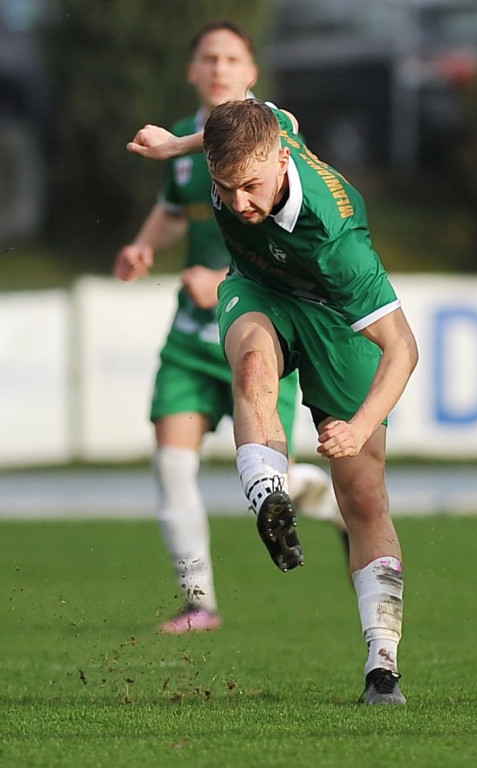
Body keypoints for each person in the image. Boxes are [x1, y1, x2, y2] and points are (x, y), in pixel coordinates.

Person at [126, 98, 419, 705]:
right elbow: (229, 126)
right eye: (223, 188)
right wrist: (172, 147)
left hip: (340, 320)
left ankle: (382, 666)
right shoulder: (257, 134)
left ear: (282, 161)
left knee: (363, 495)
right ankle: (270, 497)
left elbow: (403, 348)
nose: (237, 204)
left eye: (251, 187)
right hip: (259, 287)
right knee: (254, 362)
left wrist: (360, 426)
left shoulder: (338, 241)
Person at [114, 21, 345, 637]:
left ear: (251, 75)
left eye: (231, 58)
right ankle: (199, 602)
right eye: (208, 58)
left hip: (263, 331)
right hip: (192, 338)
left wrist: (220, 276)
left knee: (274, 477)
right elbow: (172, 211)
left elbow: (281, 230)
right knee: (171, 465)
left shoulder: (274, 133)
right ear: (192, 70)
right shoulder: (189, 157)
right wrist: (141, 247)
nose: (218, 67)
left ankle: (332, 506)